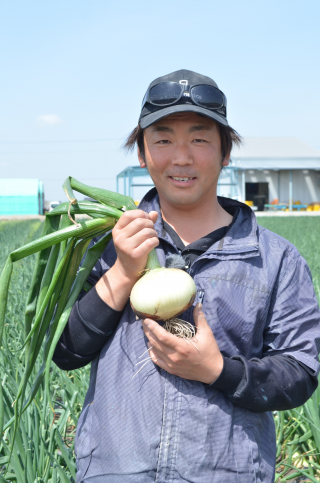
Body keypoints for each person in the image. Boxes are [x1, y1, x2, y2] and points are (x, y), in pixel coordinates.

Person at [53, 69, 320, 483]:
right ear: (142, 153)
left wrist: (217, 370)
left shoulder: (276, 259)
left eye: (199, 139)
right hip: (114, 473)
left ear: (225, 152)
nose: (181, 157)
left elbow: (301, 373)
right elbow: (66, 351)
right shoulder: (101, 247)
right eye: (162, 140)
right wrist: (125, 270)